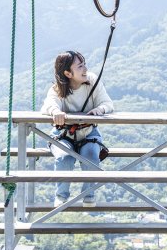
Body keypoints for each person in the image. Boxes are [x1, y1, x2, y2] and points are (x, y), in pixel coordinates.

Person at [40, 50, 114, 207]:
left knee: (91, 157)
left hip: (88, 132)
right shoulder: (57, 89)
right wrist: (56, 112)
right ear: (68, 73)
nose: (85, 69)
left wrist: (99, 110)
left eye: (84, 64)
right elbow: (49, 105)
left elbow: (107, 103)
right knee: (64, 158)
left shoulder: (93, 81)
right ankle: (61, 196)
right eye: (80, 66)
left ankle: (88, 195)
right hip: (63, 134)